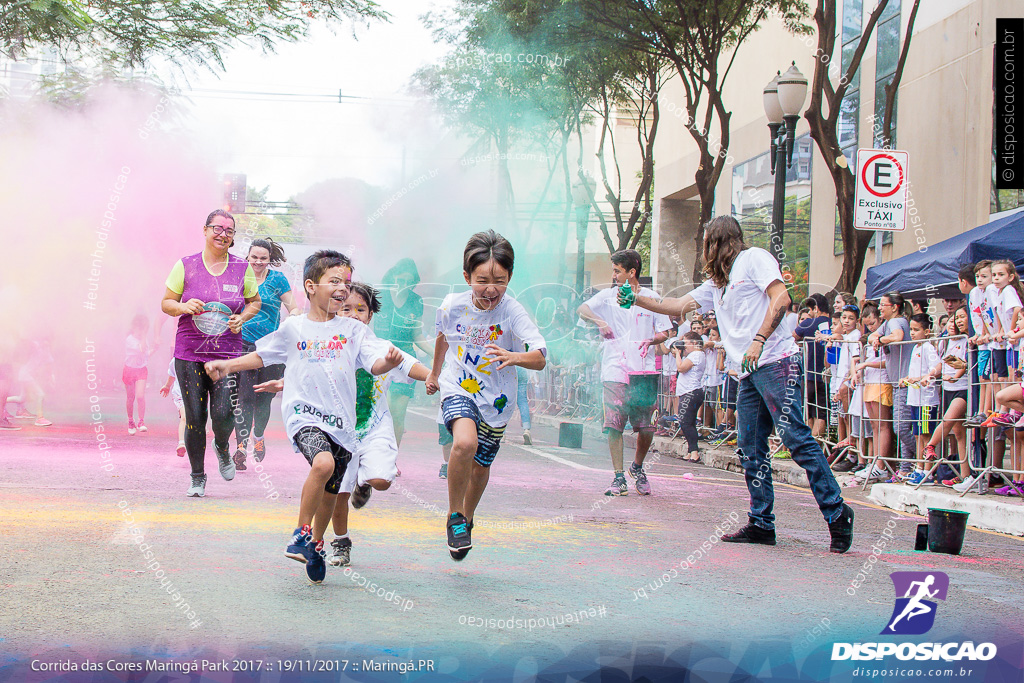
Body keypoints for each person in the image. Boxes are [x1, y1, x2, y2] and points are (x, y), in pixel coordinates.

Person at [626, 215, 853, 552]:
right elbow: (673, 305)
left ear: (718, 242)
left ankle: (837, 513)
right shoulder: (715, 286)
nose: (704, 251)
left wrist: (760, 338)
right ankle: (761, 522)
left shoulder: (754, 259)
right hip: (747, 371)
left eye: (706, 243)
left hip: (777, 362)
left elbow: (781, 298)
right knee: (750, 448)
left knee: (795, 437)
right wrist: (635, 297)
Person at [205, 250, 405, 584]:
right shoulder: (293, 327)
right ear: (311, 286)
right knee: (323, 465)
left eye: (346, 281)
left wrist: (390, 361)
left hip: (343, 426)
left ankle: (314, 545)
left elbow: (374, 363)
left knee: (331, 490)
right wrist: (227, 365)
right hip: (303, 416)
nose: (342, 288)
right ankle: (301, 532)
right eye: (334, 281)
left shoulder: (355, 331)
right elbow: (261, 356)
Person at [426, 231, 547, 561]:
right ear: (467, 276)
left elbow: (539, 356)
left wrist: (513, 356)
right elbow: (443, 338)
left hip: (498, 400)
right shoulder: (452, 306)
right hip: (459, 385)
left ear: (510, 277)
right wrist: (436, 373)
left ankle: (467, 517)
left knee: (480, 466)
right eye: (482, 280)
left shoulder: (513, 311)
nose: (491, 289)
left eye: (500, 280)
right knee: (465, 443)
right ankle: (454, 517)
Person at [161, 209, 261, 497]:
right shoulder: (186, 265)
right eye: (218, 228)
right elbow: (167, 302)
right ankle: (197, 476)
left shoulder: (242, 268)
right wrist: (183, 307)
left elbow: (254, 302)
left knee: (224, 413)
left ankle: (222, 446)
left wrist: (243, 317)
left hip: (227, 356)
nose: (223, 234)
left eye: (229, 231)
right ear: (205, 230)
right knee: (194, 416)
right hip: (190, 353)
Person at [328, 283, 427, 567]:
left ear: (370, 315)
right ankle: (341, 541)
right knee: (339, 490)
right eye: (346, 308)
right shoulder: (328, 347)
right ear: (336, 309)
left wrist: (433, 377)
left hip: (375, 428)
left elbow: (408, 365)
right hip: (338, 432)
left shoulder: (382, 348)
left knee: (381, 481)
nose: (353, 315)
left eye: (360, 309)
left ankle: (365, 479)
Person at [577, 249, 673, 497]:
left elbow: (666, 332)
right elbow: (582, 310)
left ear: (632, 272)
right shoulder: (607, 296)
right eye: (613, 270)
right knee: (614, 425)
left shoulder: (651, 298)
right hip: (614, 369)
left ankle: (637, 468)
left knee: (647, 428)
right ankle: (618, 477)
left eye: (618, 270)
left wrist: (653, 340)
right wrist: (600, 322)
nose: (614, 275)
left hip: (644, 370)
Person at [233, 238, 301, 471]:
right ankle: (241, 446)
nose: (258, 262)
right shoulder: (239, 276)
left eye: (263, 258)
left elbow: (294, 306)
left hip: (271, 349)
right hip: (243, 344)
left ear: (269, 259)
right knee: (244, 397)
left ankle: (258, 436)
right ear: (248, 257)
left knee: (263, 399)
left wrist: (294, 316)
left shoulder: (278, 280)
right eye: (254, 257)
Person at [375, 259, 432, 451]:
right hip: (378, 358)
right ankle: (373, 454)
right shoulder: (379, 296)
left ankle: (391, 457)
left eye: (408, 282)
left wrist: (438, 354)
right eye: (400, 280)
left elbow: (417, 335)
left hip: (405, 361)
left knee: (397, 413)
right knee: (377, 410)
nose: (403, 285)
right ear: (393, 277)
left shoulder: (416, 301)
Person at [869, 291, 914, 480]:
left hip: (906, 381)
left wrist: (881, 340)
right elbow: (872, 336)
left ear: (894, 307)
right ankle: (905, 467)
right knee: (901, 426)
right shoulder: (887, 322)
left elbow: (897, 336)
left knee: (901, 427)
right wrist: (876, 339)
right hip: (897, 381)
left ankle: (926, 456)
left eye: (883, 305)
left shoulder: (897, 322)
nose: (879, 308)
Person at [852, 304, 893, 483]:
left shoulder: (885, 337)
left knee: (882, 424)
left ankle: (881, 465)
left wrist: (866, 364)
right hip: (870, 380)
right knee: (874, 426)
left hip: (882, 380)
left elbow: (887, 361)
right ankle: (875, 461)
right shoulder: (870, 339)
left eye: (874, 323)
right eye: (868, 325)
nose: (871, 328)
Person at [900, 313, 940, 486]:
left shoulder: (928, 348)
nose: (913, 333)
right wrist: (907, 379)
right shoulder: (916, 348)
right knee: (917, 435)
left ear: (927, 331)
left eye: (917, 330)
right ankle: (919, 468)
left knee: (925, 435)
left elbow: (935, 368)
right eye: (911, 330)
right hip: (915, 399)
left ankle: (927, 471)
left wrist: (922, 378)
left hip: (926, 400)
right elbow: (915, 373)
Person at [794, 293, 832, 438]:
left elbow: (793, 336)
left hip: (809, 373)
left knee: (808, 412)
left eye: (810, 310)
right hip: (828, 374)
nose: (809, 314)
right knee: (822, 412)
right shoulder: (835, 324)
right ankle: (818, 444)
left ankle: (808, 444)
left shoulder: (808, 323)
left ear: (816, 308)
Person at [966, 261, 994, 427]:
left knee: (988, 378)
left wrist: (985, 334)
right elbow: (978, 315)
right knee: (982, 377)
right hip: (983, 343)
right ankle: (980, 411)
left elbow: (989, 314)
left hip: (991, 343)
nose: (980, 280)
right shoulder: (975, 292)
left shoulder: (992, 292)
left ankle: (986, 410)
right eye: (977, 276)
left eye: (984, 276)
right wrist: (978, 335)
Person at [673, 333, 706, 462]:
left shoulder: (696, 355)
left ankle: (694, 452)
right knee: (689, 422)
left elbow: (681, 368)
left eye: (686, 343)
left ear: (694, 343)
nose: (684, 346)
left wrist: (677, 354)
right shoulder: (696, 355)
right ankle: (690, 451)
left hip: (690, 392)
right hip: (690, 391)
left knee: (685, 422)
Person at [123, 314, 153, 435]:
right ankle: (131, 421)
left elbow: (145, 355)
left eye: (144, 330)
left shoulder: (144, 340)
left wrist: (153, 350)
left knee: (140, 396)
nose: (142, 332)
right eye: (141, 329)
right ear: (134, 327)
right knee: (131, 398)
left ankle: (141, 421)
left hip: (141, 370)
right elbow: (141, 349)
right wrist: (144, 336)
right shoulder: (129, 340)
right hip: (129, 370)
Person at [158, 358, 187, 457]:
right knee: (185, 417)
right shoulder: (176, 359)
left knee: (195, 420)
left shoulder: (200, 357)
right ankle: (181, 443)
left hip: (196, 394)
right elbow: (172, 374)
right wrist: (167, 386)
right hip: (180, 394)